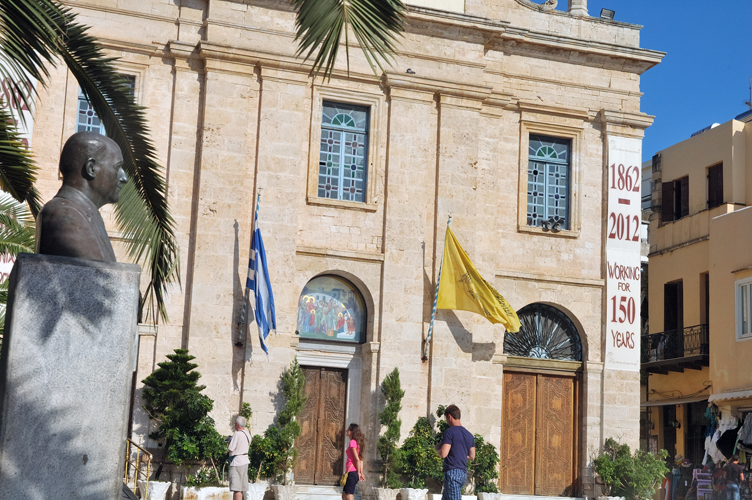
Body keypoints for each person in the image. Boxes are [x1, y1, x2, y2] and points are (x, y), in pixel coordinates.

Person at [36, 131, 128, 261]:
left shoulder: (84, 213)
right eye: (117, 167)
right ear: (91, 168)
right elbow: (98, 277)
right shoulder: (66, 215)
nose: (124, 178)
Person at [435, 405, 475, 500]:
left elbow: (444, 453)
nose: (447, 421)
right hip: (462, 473)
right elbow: (472, 456)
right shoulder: (469, 435)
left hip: (452, 473)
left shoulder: (450, 432)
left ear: (449, 416)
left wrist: (437, 449)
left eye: (446, 419)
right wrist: (459, 453)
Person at [228, 416, 252, 500]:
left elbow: (231, 449)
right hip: (245, 461)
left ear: (237, 424)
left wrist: (229, 441)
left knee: (236, 488)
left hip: (236, 462)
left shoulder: (237, 434)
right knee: (241, 488)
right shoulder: (248, 434)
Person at [342, 423, 365, 500]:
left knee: (348, 495)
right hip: (352, 472)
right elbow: (361, 459)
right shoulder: (358, 443)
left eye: (348, 429)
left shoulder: (352, 442)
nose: (346, 431)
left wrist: (359, 473)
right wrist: (361, 472)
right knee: (344, 494)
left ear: (352, 432)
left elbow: (357, 459)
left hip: (352, 472)